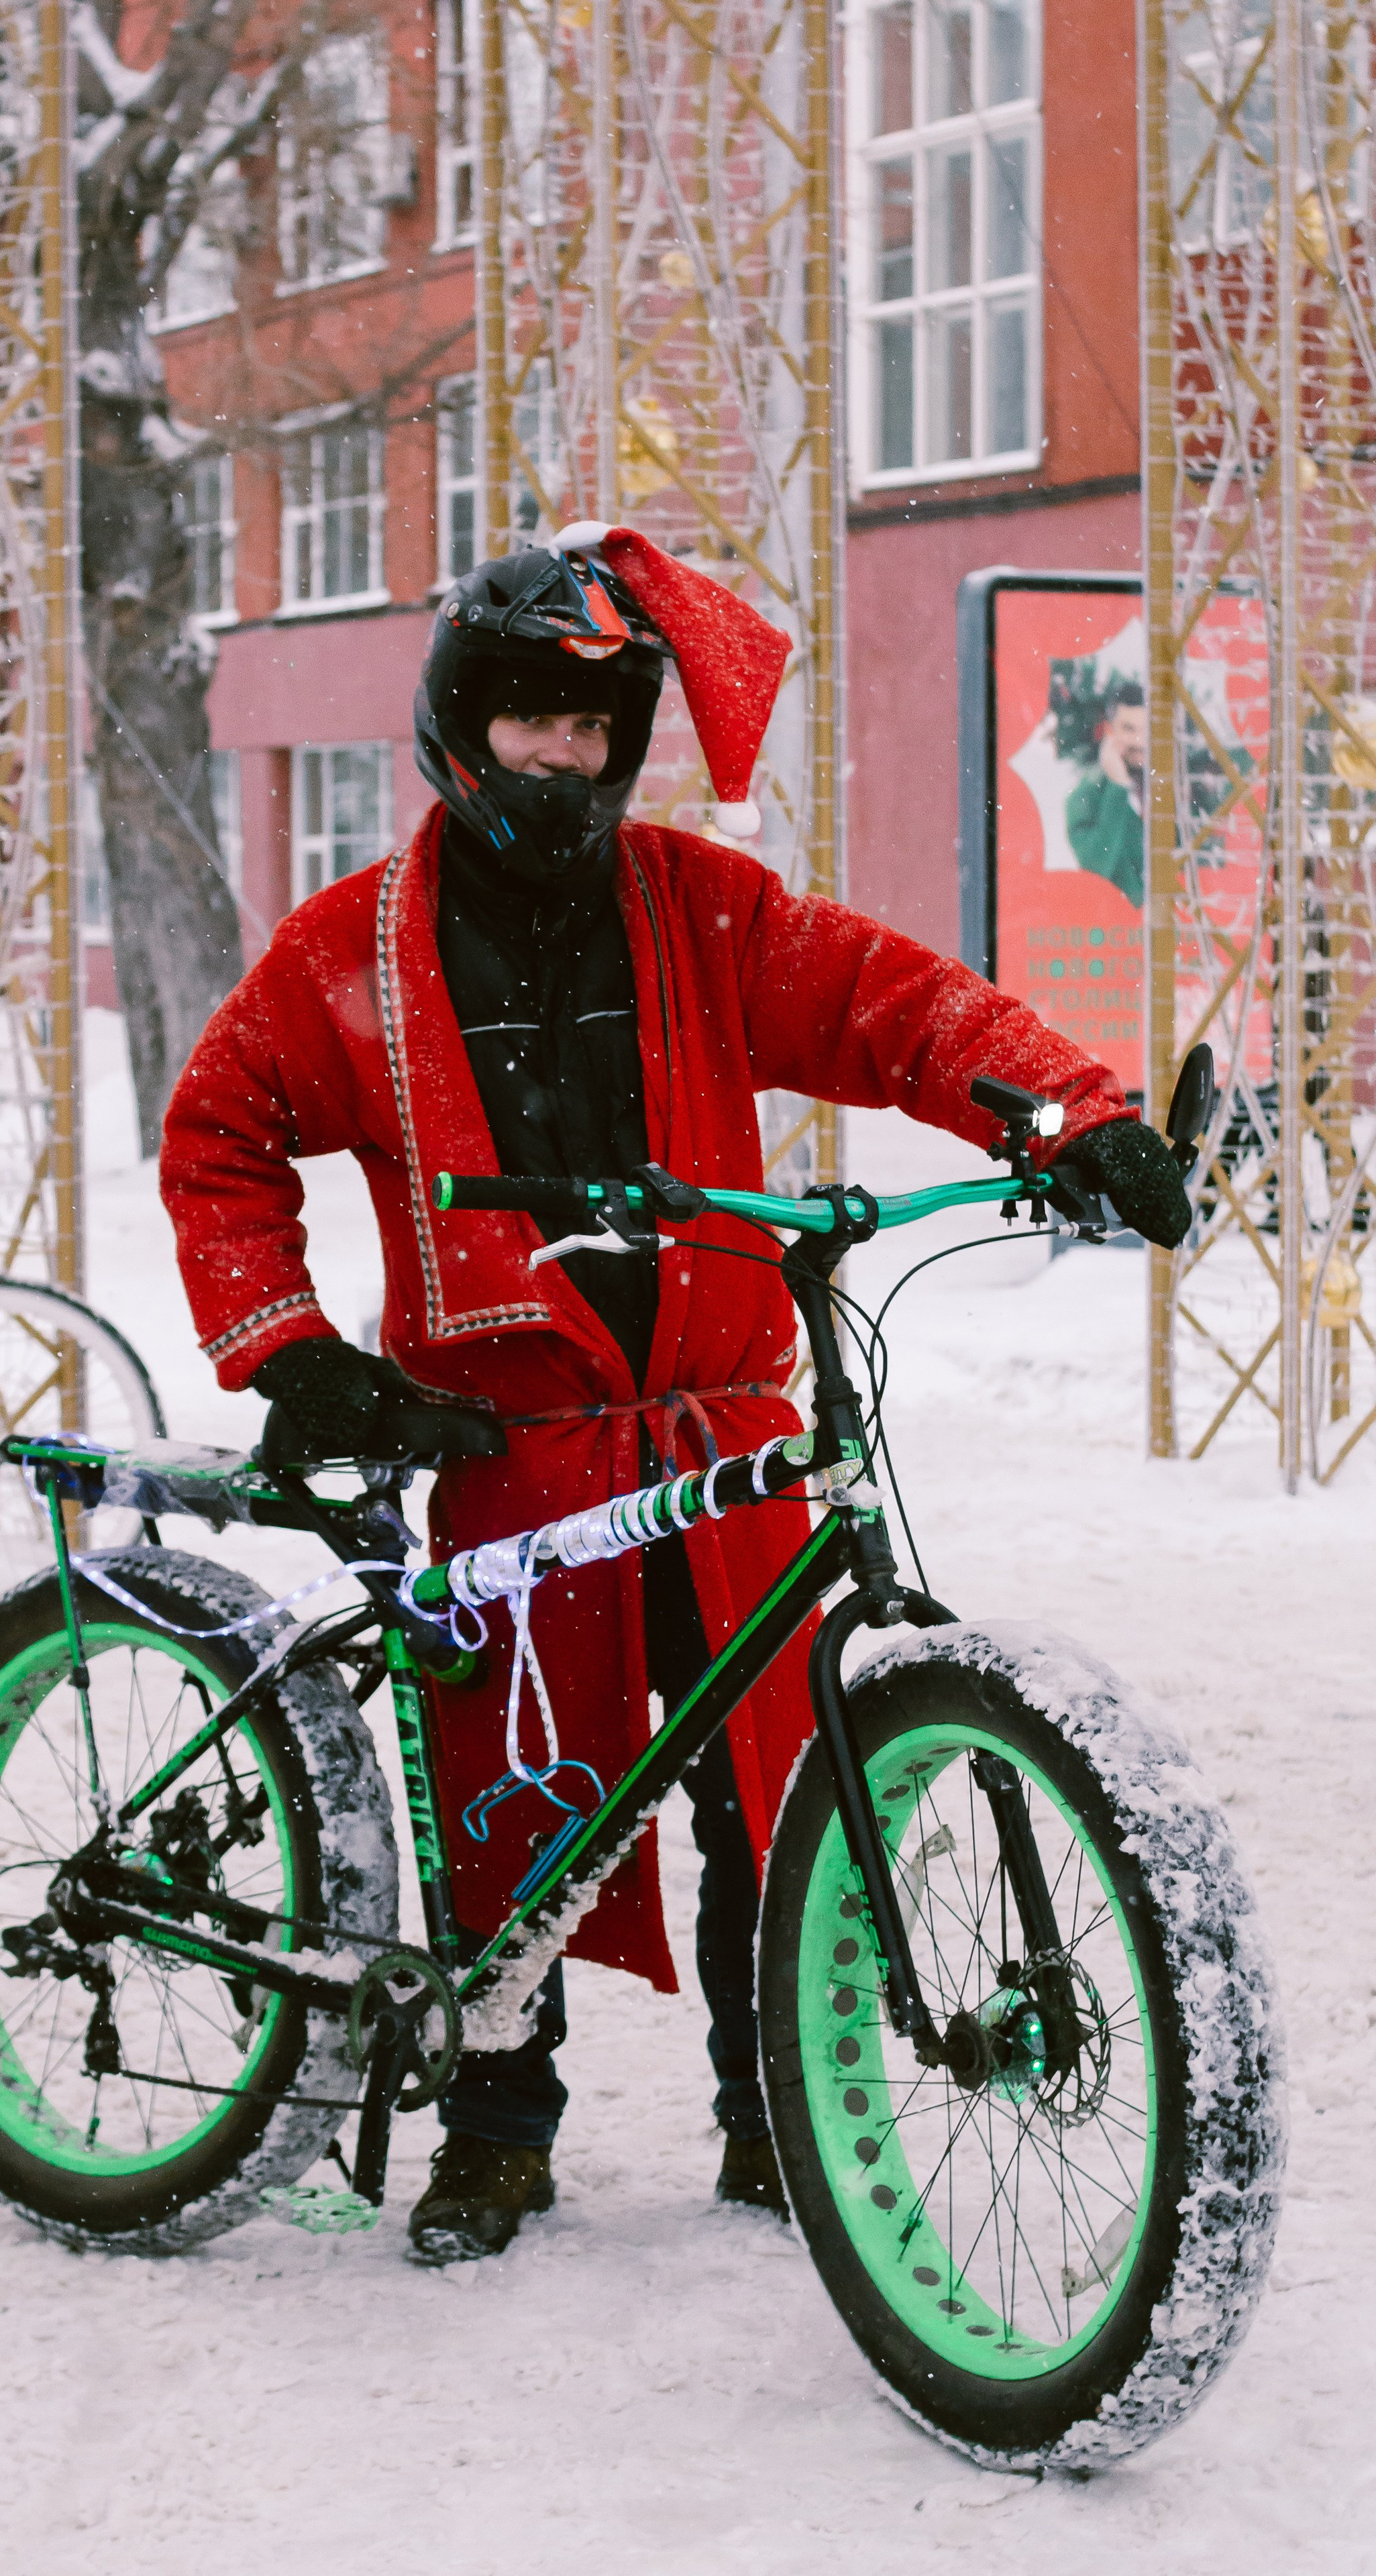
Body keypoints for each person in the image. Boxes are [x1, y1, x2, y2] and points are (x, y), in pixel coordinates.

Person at [158, 527, 1191, 2265]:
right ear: (457, 722)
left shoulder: (705, 911)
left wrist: (1069, 1112)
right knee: (517, 1796)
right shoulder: (353, 947)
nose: (563, 760)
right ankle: (496, 2125)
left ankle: (776, 2109)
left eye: (598, 728)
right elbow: (220, 1137)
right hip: (518, 1450)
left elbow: (894, 1008)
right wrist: (297, 1350)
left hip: (728, 1443)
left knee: (773, 1791)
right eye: (530, 721)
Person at [1065, 679, 1145, 906]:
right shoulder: (1085, 798)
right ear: (1109, 731)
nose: (1139, 741)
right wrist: (1118, 786)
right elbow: (1096, 872)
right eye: (1129, 729)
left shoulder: (1172, 791)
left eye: (1146, 729)